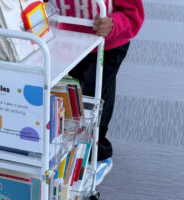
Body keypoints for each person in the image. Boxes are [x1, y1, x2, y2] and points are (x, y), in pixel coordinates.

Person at [50, 0, 145, 185]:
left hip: (108, 44)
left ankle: (100, 154)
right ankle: (67, 148)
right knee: (68, 94)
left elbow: (133, 15)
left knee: (94, 99)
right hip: (66, 40)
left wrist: (114, 23)